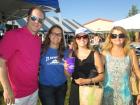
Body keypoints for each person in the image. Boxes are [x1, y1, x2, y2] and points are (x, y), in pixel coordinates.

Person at [0, 6, 45, 105]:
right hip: (16, 95)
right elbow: (1, 63)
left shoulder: (38, 40)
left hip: (34, 90)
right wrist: (7, 89)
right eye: (34, 18)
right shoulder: (12, 35)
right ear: (27, 18)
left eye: (40, 20)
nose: (37, 22)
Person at [64, 27, 104, 105]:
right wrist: (66, 69)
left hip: (90, 90)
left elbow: (102, 76)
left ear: (88, 39)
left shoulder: (94, 54)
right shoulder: (71, 54)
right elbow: (69, 75)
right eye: (79, 37)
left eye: (84, 36)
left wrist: (87, 81)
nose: (82, 39)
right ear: (75, 39)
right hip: (75, 90)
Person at [101, 26, 140, 105]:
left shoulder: (131, 52)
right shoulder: (104, 53)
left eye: (121, 35)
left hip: (125, 95)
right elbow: (96, 69)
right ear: (110, 38)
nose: (117, 38)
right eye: (114, 36)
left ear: (125, 37)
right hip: (107, 95)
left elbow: (138, 73)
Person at [39, 25, 69, 105]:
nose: (56, 36)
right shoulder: (41, 50)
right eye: (53, 33)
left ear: (62, 37)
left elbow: (68, 74)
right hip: (46, 88)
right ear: (49, 35)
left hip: (62, 87)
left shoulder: (66, 52)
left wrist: (67, 69)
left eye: (59, 34)